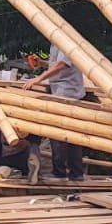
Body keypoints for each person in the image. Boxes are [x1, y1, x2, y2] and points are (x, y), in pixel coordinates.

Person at [22, 44, 86, 181]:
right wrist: (42, 63)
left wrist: (38, 79)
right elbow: (55, 64)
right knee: (70, 134)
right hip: (61, 91)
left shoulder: (64, 41)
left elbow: (61, 65)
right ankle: (75, 173)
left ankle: (61, 172)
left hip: (68, 93)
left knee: (59, 132)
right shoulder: (55, 44)